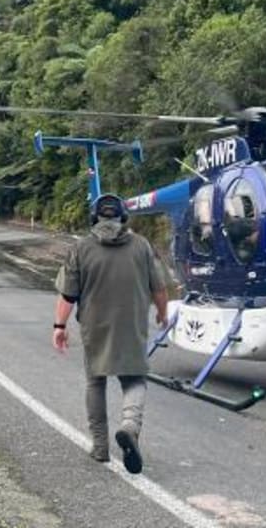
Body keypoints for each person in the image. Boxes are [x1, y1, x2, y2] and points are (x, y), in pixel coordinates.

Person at [52, 194, 168, 474]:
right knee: (134, 378)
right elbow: (160, 287)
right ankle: (130, 426)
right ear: (122, 218)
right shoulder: (142, 246)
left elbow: (68, 294)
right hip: (132, 324)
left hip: (95, 325)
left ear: (95, 217)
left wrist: (59, 326)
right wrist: (163, 313)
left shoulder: (80, 248)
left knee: (96, 382)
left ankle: (100, 447)